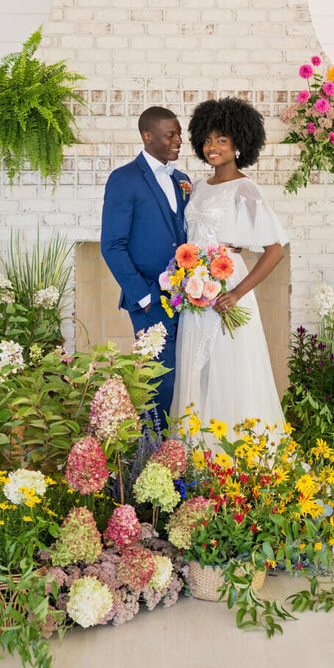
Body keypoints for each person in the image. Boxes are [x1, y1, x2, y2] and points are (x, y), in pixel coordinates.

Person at [170, 97, 289, 439]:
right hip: (196, 291)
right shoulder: (198, 186)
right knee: (197, 368)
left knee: (229, 369)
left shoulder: (246, 190)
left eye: (221, 140)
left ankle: (237, 457)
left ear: (239, 144)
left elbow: (275, 250)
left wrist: (237, 293)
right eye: (207, 140)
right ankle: (197, 455)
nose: (212, 147)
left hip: (227, 289)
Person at [101, 106, 192, 429]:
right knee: (157, 382)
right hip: (149, 300)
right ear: (147, 136)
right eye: (171, 135)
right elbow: (111, 245)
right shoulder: (123, 179)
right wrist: (143, 297)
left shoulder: (182, 180)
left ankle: (178, 453)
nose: (179, 140)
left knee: (183, 377)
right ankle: (151, 457)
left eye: (179, 133)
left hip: (187, 297)